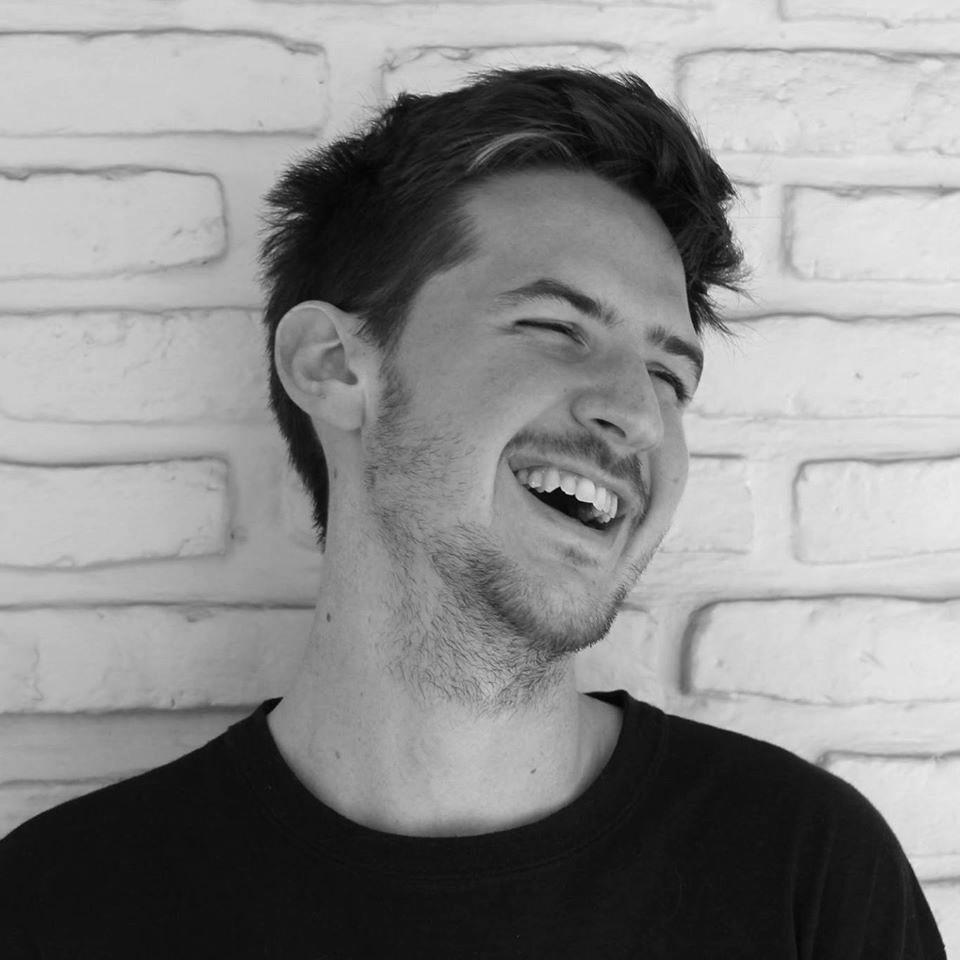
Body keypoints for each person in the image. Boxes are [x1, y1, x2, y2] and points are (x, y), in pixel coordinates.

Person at [0, 67, 946, 959]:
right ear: (333, 367)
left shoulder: (804, 871)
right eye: (556, 326)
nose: (638, 414)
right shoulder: (61, 908)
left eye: (669, 375)